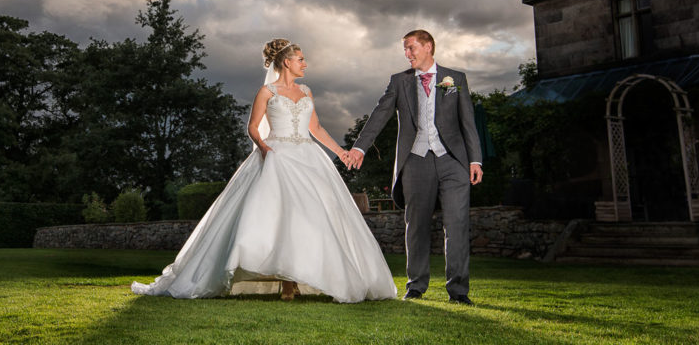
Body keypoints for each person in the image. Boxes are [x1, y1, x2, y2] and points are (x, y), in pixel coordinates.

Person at [132, 39, 397, 303]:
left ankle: (301, 278)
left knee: (310, 217)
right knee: (280, 216)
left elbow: (315, 128)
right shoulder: (267, 91)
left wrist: (341, 153)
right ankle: (287, 284)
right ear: (286, 62)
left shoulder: (306, 91)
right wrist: (262, 147)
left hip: (307, 156)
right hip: (277, 155)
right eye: (301, 59)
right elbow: (253, 127)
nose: (305, 64)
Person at [347, 30, 483, 305]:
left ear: (428, 46)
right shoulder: (399, 81)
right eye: (405, 50)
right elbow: (380, 114)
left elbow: (467, 120)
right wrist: (360, 146)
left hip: (453, 161)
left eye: (411, 48)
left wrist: (475, 159)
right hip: (416, 160)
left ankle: (458, 291)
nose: (407, 54)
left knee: (457, 224)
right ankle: (416, 286)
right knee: (416, 226)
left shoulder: (454, 79)